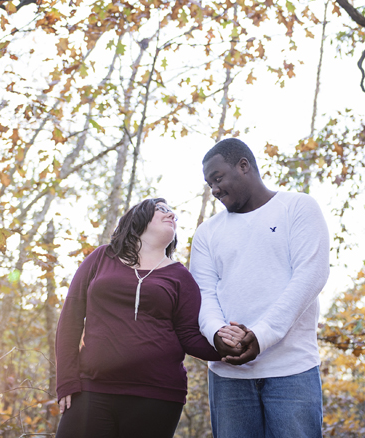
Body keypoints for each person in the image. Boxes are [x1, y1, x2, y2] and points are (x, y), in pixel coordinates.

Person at [54, 198, 244, 438]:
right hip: (92, 388)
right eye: (162, 210)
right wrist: (66, 381)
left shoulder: (180, 276)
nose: (171, 215)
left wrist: (229, 347)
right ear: (138, 218)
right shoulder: (102, 258)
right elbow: (70, 318)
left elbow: (188, 335)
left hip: (157, 395)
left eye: (173, 213)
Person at [190, 138, 331, 438]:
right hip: (229, 376)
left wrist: (262, 335)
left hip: (292, 371)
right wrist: (217, 334)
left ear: (244, 166)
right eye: (209, 184)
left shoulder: (298, 207)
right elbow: (203, 293)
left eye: (217, 179)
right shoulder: (207, 233)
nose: (213, 190)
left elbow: (311, 275)